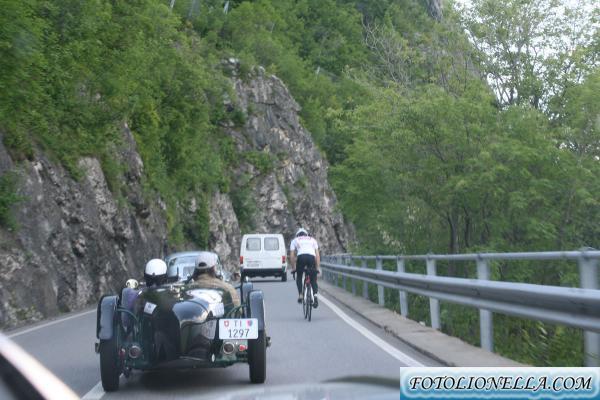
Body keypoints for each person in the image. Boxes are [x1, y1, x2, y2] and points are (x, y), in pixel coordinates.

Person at [289, 228, 321, 308]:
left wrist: (293, 268)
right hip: (311, 257)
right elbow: (317, 255)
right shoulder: (312, 240)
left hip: (301, 257)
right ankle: (315, 295)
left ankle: (300, 294)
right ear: (306, 235)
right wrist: (317, 268)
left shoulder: (295, 240)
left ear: (297, 235)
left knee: (299, 276)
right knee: (313, 278)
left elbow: (292, 256)